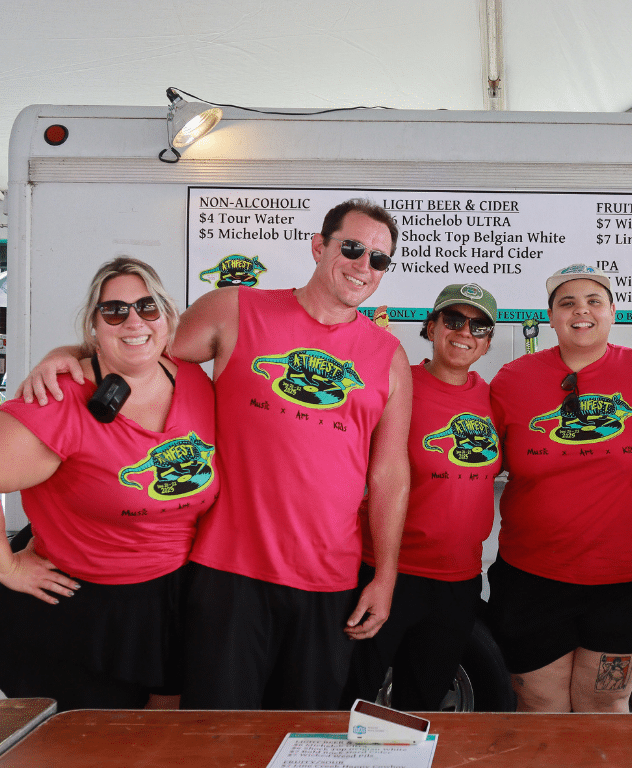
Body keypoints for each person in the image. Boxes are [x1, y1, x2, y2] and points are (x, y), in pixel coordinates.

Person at [17, 198, 413, 710]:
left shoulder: (389, 357)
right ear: (319, 247)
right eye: (352, 248)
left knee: (305, 731)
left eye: (379, 259)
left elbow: (390, 474)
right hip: (229, 573)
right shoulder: (235, 309)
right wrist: (67, 353)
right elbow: (142, 345)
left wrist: (385, 576)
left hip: (329, 579)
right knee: (214, 733)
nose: (363, 265)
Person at [0, 257, 219, 710]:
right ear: (94, 326)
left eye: (147, 307)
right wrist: (7, 568)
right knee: (88, 740)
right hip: (84, 612)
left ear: (167, 318)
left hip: (176, 600)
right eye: (115, 311)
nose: (134, 321)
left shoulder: (194, 379)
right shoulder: (60, 399)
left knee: (163, 738)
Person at [487, 263, 632, 712]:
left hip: (627, 582)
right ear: (551, 317)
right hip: (533, 579)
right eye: (567, 303)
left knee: (604, 708)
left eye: (594, 301)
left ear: (613, 313)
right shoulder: (512, 380)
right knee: (539, 706)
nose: (581, 311)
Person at [344, 283, 501, 711]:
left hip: (458, 582)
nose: (464, 332)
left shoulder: (493, 399)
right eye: (453, 320)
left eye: (479, 326)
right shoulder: (396, 382)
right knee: (351, 701)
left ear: (488, 343)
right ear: (431, 327)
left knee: (423, 708)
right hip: (384, 571)